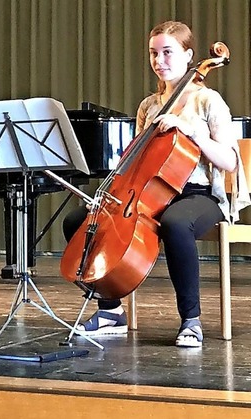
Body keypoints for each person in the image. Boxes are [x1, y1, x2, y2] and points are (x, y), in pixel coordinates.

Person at [63, 21, 250, 347]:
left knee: (175, 223)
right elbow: (138, 159)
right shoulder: (149, 106)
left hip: (199, 194)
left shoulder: (208, 101)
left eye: (168, 52)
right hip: (149, 192)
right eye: (154, 53)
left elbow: (230, 161)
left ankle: (191, 321)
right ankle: (110, 310)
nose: (159, 60)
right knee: (79, 220)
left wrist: (193, 132)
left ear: (189, 55)